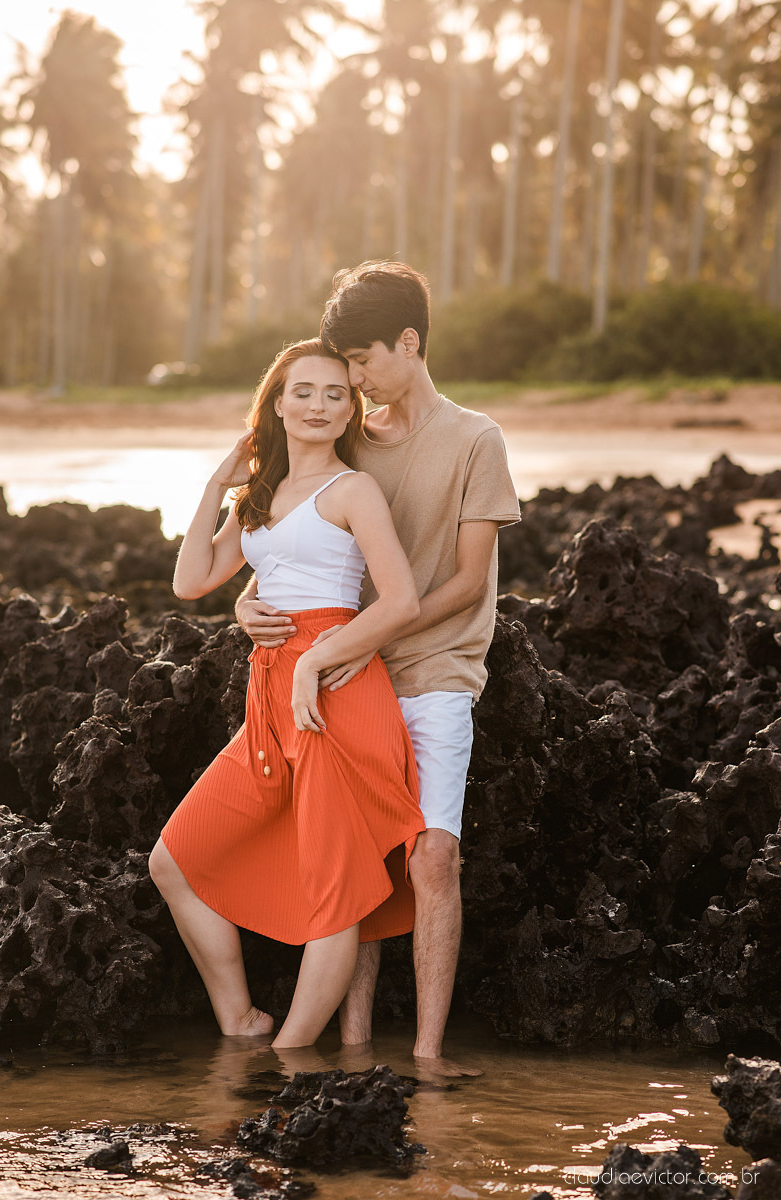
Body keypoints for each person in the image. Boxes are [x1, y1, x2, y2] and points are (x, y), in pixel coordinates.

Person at [235, 261, 521, 1076]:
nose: (350, 381)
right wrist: (247, 605)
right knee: (354, 857)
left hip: (433, 671)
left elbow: (466, 580)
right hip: (343, 678)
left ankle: (427, 1055)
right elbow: (297, 538)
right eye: (342, 366)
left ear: (409, 343)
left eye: (361, 361)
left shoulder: (476, 439)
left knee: (432, 854)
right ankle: (355, 1046)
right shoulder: (352, 439)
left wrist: (351, 638)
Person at [148, 337, 426, 1051]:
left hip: (335, 691)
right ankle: (240, 1021)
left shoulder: (352, 490)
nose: (319, 405)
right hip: (269, 701)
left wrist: (315, 656)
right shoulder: (260, 497)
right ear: (276, 402)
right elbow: (190, 582)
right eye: (303, 391)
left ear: (350, 411)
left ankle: (290, 1057)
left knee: (336, 890)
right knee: (173, 861)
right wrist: (218, 484)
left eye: (337, 394)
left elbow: (399, 601)